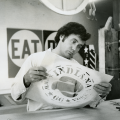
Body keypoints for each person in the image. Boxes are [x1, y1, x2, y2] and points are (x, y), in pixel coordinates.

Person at [11, 22, 112, 111]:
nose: (74, 49)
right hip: (40, 115)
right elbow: (15, 96)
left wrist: (100, 93)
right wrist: (26, 80)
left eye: (79, 46)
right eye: (73, 41)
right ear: (62, 36)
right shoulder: (36, 59)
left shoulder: (77, 66)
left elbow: (86, 101)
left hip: (69, 115)